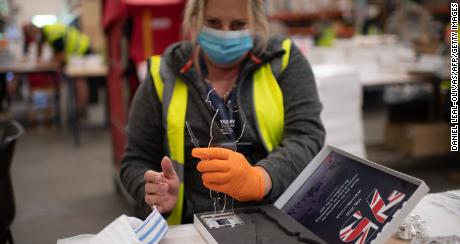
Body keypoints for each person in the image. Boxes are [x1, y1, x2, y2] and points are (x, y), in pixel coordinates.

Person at [121, 0, 325, 224]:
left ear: (256, 21)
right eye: (213, 22)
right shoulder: (164, 75)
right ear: (195, 18)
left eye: (238, 24)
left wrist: (261, 178)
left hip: (277, 221)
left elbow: (306, 136)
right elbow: (135, 159)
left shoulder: (282, 60)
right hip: (192, 228)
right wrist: (153, 191)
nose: (225, 34)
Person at [22, 23, 94, 115]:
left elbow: (61, 55)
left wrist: (47, 62)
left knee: (80, 80)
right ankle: (79, 109)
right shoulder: (44, 33)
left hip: (82, 49)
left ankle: (82, 110)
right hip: (76, 53)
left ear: (36, 31)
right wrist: (39, 59)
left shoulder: (52, 33)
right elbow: (39, 46)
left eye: (32, 34)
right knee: (77, 81)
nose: (33, 38)